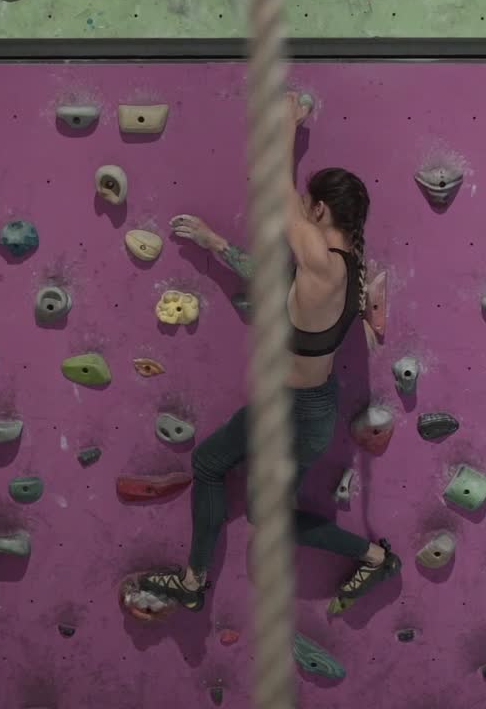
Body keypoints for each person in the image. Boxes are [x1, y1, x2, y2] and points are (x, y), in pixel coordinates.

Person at [138, 93, 400, 612]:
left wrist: (284, 125)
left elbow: (277, 190)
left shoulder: (325, 264)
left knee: (255, 506)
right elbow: (279, 279)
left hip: (299, 414)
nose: (301, 211)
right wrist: (216, 244)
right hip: (303, 404)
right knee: (218, 470)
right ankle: (195, 582)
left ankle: (371, 557)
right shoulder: (350, 268)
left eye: (309, 206)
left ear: (320, 210)